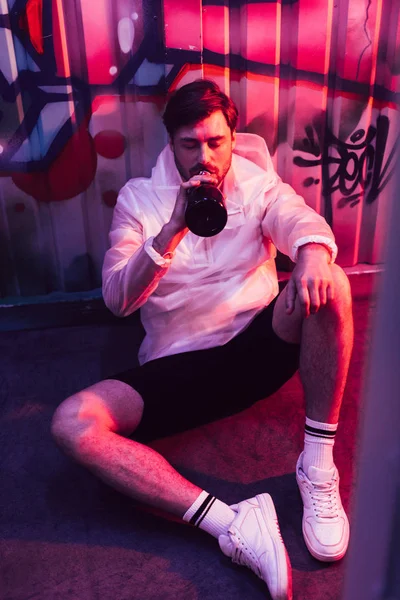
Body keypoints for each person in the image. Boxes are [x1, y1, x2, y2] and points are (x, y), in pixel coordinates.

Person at [51, 80, 354, 600]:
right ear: (171, 143)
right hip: (178, 370)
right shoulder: (139, 201)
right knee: (72, 425)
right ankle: (232, 523)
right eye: (191, 145)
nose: (205, 157)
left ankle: (317, 463)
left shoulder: (256, 183)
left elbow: (296, 217)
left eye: (216, 142)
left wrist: (310, 251)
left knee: (332, 282)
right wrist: (170, 230)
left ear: (232, 137)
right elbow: (117, 299)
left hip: (256, 346)